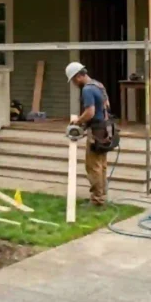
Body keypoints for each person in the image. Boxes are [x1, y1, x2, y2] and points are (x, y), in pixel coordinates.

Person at [65, 62, 113, 207]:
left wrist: (78, 122)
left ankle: (97, 200)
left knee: (93, 166)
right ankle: (101, 195)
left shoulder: (87, 90)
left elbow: (90, 112)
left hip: (97, 131)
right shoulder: (99, 85)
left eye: (73, 80)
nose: (74, 84)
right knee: (101, 164)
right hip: (106, 128)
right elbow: (107, 106)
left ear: (78, 76)